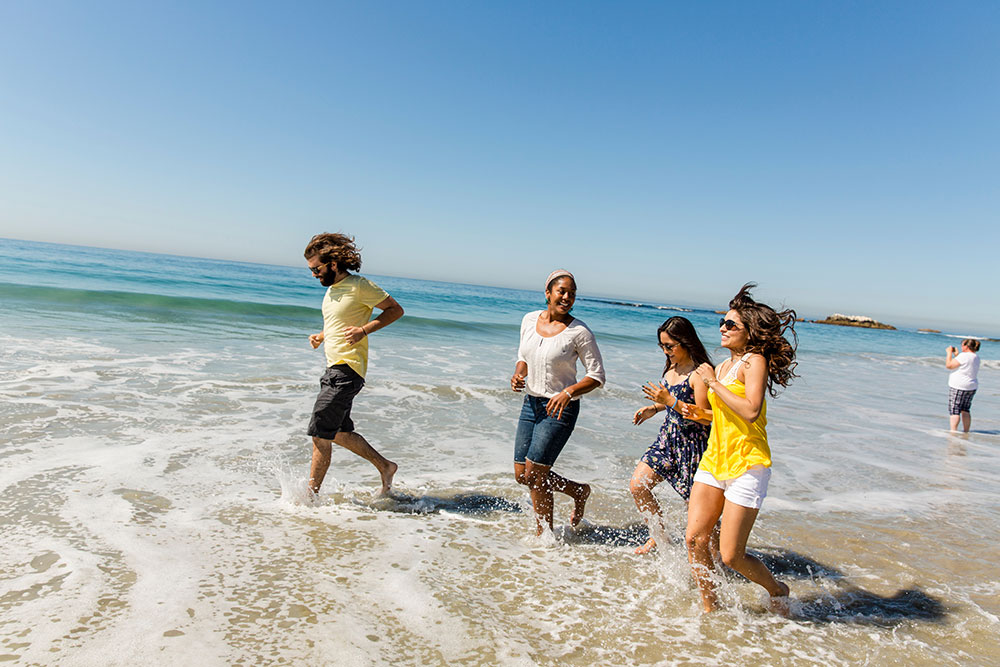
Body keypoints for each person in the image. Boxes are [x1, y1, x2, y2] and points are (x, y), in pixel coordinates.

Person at [684, 283, 797, 613]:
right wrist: (685, 408)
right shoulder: (720, 367)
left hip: (747, 462)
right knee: (694, 540)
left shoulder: (753, 362)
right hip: (714, 460)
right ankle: (711, 609)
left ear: (749, 331)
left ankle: (777, 589)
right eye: (722, 322)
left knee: (731, 554)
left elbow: (749, 410)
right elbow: (718, 415)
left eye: (731, 324)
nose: (723, 328)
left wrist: (712, 383)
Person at [303, 233, 403, 496]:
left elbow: (395, 309)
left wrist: (364, 330)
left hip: (347, 369)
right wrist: (322, 336)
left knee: (320, 434)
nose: (314, 274)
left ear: (333, 264)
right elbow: (337, 323)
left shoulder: (359, 285)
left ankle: (308, 499)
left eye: (317, 269)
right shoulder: (333, 291)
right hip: (333, 368)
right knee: (337, 432)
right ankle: (385, 466)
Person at [510, 270, 606, 536]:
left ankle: (545, 536)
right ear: (548, 293)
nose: (567, 297)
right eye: (562, 291)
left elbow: (597, 376)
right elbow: (524, 355)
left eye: (572, 293)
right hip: (531, 405)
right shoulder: (529, 320)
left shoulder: (579, 332)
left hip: (560, 409)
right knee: (522, 475)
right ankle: (578, 490)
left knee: (536, 475)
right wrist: (519, 373)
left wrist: (568, 392)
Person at [630, 317, 714, 555]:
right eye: (662, 346)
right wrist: (653, 409)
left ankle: (719, 561)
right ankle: (660, 535)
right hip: (667, 440)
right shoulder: (671, 368)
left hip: (693, 447)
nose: (666, 351)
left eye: (669, 346)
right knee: (638, 485)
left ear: (686, 342)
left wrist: (669, 402)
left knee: (697, 511)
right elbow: (670, 402)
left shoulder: (699, 374)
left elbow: (706, 416)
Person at [945, 339, 981, 433]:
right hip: (971, 385)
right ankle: (966, 431)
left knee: (954, 410)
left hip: (959, 385)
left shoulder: (964, 356)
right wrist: (956, 355)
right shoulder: (976, 357)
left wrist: (949, 353)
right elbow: (964, 364)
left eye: (962, 345)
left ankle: (953, 431)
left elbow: (949, 365)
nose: (961, 347)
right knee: (965, 409)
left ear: (966, 346)